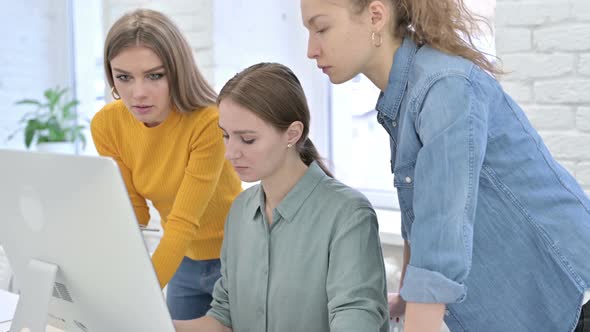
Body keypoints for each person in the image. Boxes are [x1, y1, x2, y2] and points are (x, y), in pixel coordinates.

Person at [300, 0, 590, 331]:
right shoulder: (403, 97)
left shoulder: (444, 86)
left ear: (375, 16)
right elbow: (421, 219)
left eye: (321, 28)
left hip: (569, 293)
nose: (311, 49)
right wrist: (407, 300)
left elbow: (441, 234)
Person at [173, 62, 389, 332]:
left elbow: (356, 319)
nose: (230, 153)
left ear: (292, 133)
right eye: (226, 136)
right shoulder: (240, 211)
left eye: (247, 139)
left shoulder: (348, 215)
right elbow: (224, 315)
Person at [90, 9, 242, 320]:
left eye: (154, 75)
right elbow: (134, 213)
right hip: (182, 260)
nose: (138, 93)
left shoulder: (209, 122)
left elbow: (184, 222)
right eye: (124, 77)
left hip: (237, 259)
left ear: (177, 71)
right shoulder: (107, 125)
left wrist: (136, 298)